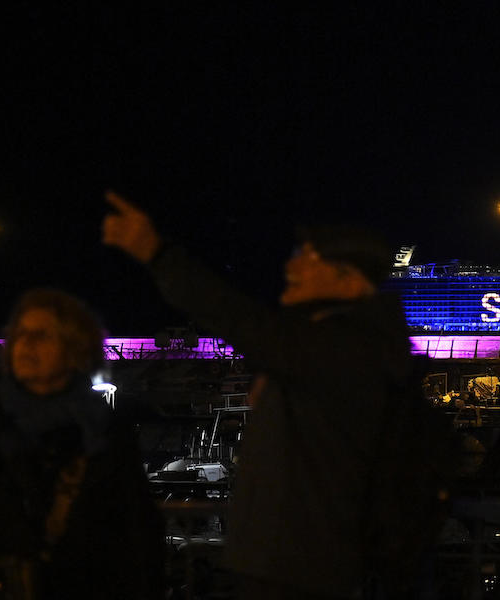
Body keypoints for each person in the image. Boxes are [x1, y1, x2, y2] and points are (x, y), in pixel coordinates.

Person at [102, 191, 454, 599]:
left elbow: (238, 319)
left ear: (349, 279)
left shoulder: (341, 346)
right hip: (301, 560)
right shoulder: (351, 346)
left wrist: (156, 253)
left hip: (300, 565)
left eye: (309, 257)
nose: (291, 266)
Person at [0, 289, 165, 599]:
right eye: (21, 333)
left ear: (74, 349)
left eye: (41, 335)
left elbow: (138, 536)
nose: (27, 343)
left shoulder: (107, 436)